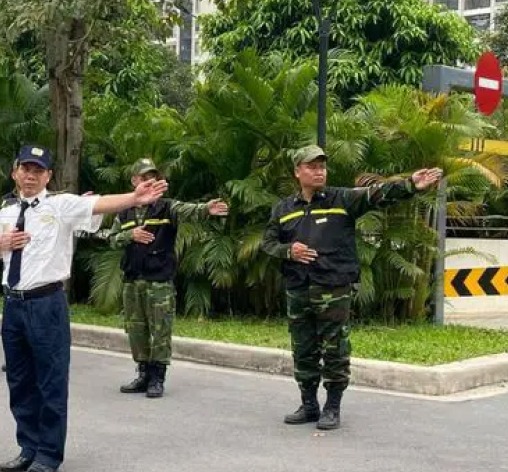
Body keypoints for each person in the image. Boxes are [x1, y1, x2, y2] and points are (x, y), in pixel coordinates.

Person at [0, 145, 167, 472]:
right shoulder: (6, 211)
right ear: (15, 173)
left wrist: (133, 197)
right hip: (13, 305)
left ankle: (48, 453)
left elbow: (98, 204)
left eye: (38, 171)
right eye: (26, 169)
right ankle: (28, 447)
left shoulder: (61, 205)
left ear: (48, 176)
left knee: (50, 380)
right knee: (20, 381)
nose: (31, 176)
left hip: (46, 304)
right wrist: (1, 244)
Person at [261, 145, 443, 431]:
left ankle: (332, 407)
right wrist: (288, 251)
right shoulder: (283, 209)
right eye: (311, 166)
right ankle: (309, 405)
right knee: (303, 350)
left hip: (333, 287)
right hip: (298, 289)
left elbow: (375, 194)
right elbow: (268, 243)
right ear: (297, 172)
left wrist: (410, 185)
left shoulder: (341, 199)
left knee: (335, 349)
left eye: (322, 166)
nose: (319, 171)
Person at [109, 158, 229, 398]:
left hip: (159, 281)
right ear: (134, 181)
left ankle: (157, 378)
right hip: (133, 281)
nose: (150, 181)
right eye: (144, 178)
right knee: (136, 330)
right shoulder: (124, 212)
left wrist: (206, 208)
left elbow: (189, 209)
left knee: (160, 330)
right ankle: (143, 374)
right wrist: (130, 235)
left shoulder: (167, 207)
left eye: (153, 177)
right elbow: (112, 240)